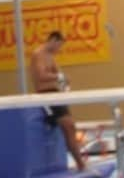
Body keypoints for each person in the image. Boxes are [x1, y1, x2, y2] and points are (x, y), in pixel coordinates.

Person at [29, 30, 86, 172]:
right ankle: (81, 164)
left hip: (54, 95)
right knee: (68, 125)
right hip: (45, 96)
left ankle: (80, 163)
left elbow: (58, 74)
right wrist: (59, 77)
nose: (58, 50)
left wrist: (65, 81)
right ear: (52, 40)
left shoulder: (51, 57)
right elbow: (41, 76)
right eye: (58, 46)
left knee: (71, 127)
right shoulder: (38, 54)